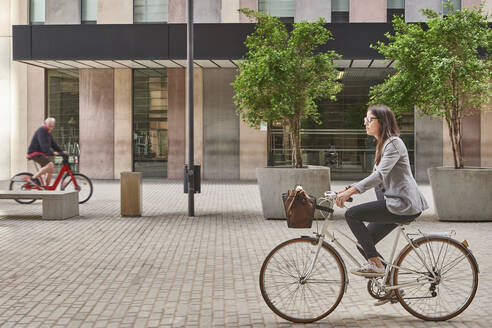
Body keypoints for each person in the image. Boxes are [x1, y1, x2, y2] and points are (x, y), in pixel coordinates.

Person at [335, 105, 428, 280]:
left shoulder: (394, 143)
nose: (366, 123)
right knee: (365, 244)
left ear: (382, 121)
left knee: (352, 215)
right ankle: (390, 284)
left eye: (369, 119)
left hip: (403, 204)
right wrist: (347, 190)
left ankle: (376, 265)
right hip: (395, 204)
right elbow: (375, 177)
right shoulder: (383, 145)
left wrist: (352, 191)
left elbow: (379, 175)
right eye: (365, 120)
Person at [27, 118, 64, 187]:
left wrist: (61, 152)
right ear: (45, 123)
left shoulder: (48, 132)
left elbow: (54, 144)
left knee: (50, 169)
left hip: (41, 153)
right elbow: (43, 144)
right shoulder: (42, 130)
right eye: (49, 126)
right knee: (50, 165)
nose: (51, 128)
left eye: (52, 126)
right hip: (35, 153)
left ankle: (47, 188)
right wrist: (52, 153)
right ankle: (33, 178)